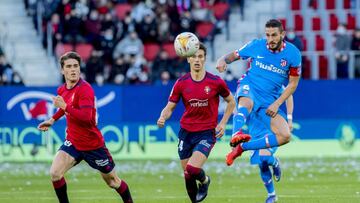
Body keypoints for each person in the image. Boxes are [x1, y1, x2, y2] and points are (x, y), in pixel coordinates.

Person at [37, 52, 133, 203]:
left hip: (92, 145)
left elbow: (86, 118)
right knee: (55, 173)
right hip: (73, 142)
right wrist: (52, 119)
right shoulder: (62, 90)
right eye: (69, 66)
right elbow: (65, 108)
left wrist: (65, 106)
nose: (73, 69)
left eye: (76, 66)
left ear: (80, 69)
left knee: (113, 182)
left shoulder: (85, 89)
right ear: (62, 70)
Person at [216, 19, 301, 166]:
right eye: (267, 35)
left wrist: (277, 104)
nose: (270, 39)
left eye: (274, 35)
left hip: (269, 99)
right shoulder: (256, 45)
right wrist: (222, 60)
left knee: (285, 136)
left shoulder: (293, 54)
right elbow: (234, 55)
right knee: (246, 102)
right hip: (250, 86)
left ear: (283, 34)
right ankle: (236, 134)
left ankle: (242, 147)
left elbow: (292, 85)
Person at [157, 43, 235, 203]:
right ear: (188, 59)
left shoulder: (216, 82)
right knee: (187, 174)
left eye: (200, 56)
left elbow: (231, 102)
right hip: (186, 132)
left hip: (206, 133)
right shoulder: (181, 82)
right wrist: (163, 116)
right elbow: (170, 106)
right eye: (194, 56)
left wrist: (223, 123)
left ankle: (205, 180)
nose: (197, 60)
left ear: (205, 59)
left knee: (193, 169)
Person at [236, 86, 294, 203]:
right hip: (254, 132)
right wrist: (238, 128)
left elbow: (289, 95)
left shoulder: (269, 81)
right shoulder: (245, 86)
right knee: (262, 163)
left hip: (271, 128)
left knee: (264, 157)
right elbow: (237, 108)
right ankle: (271, 194)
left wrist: (289, 119)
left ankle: (274, 162)